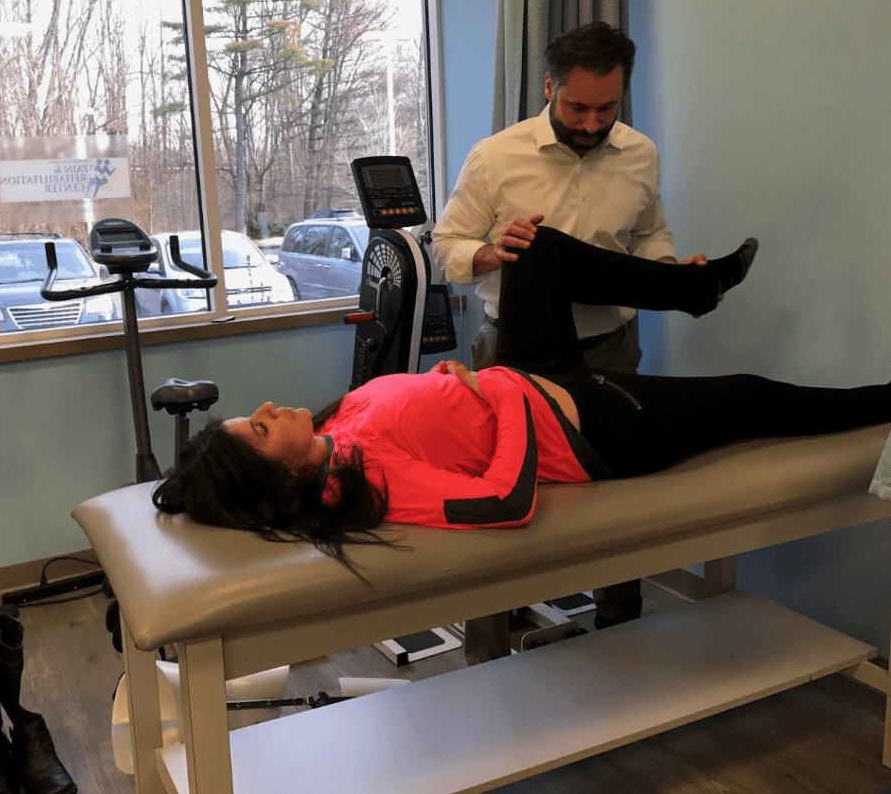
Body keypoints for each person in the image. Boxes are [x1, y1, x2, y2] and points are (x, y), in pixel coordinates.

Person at [153, 230, 891, 583]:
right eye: (258, 427)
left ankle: (693, 289)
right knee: (749, 397)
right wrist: (504, 402)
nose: (271, 406)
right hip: (593, 427)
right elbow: (501, 501)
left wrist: (447, 384)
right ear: (280, 480)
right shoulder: (374, 477)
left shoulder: (338, 426)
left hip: (528, 376)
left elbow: (407, 407)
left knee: (533, 247)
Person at [431, 20, 700, 637]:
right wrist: (493, 252)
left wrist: (664, 272)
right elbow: (446, 243)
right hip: (510, 350)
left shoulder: (640, 153)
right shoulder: (496, 157)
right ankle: (490, 646)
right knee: (502, 492)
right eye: (576, 106)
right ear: (549, 87)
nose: (589, 122)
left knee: (617, 491)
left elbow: (650, 233)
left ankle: (620, 634)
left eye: (605, 108)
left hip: (608, 348)